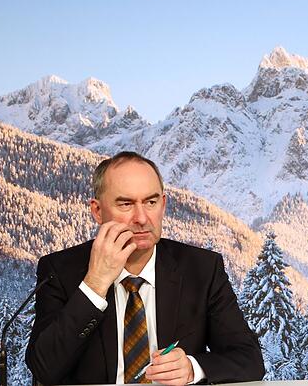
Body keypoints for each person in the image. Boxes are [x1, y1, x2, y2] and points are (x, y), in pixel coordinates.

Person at [26, 151, 265, 384]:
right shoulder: (59, 270)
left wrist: (192, 369)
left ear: (163, 204)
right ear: (97, 211)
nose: (141, 218)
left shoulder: (202, 269)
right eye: (126, 204)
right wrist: (95, 283)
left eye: (150, 202)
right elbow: (44, 370)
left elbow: (250, 359)